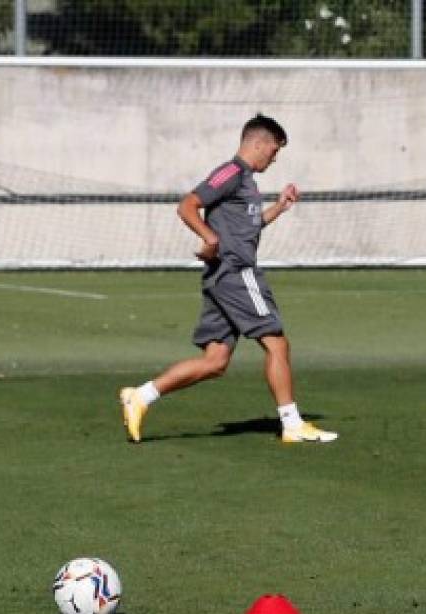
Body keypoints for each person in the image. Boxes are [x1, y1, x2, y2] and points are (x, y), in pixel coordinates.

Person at [119, 113, 337, 444]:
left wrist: (278, 208)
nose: (274, 158)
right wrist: (209, 238)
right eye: (274, 151)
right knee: (277, 343)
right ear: (259, 142)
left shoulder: (246, 181)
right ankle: (292, 424)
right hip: (237, 272)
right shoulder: (231, 173)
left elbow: (246, 227)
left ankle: (141, 396)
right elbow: (188, 205)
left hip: (223, 276)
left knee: (215, 362)